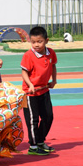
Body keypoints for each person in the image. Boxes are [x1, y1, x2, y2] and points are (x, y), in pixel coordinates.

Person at [21, 26, 57, 156]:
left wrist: (54, 80)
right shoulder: (28, 55)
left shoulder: (50, 52)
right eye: (33, 42)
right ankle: (33, 146)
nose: (36, 45)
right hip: (30, 93)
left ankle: (40, 141)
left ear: (46, 40)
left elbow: (53, 66)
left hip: (44, 90)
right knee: (33, 120)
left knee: (48, 116)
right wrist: (30, 84)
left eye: (39, 41)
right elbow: (24, 72)